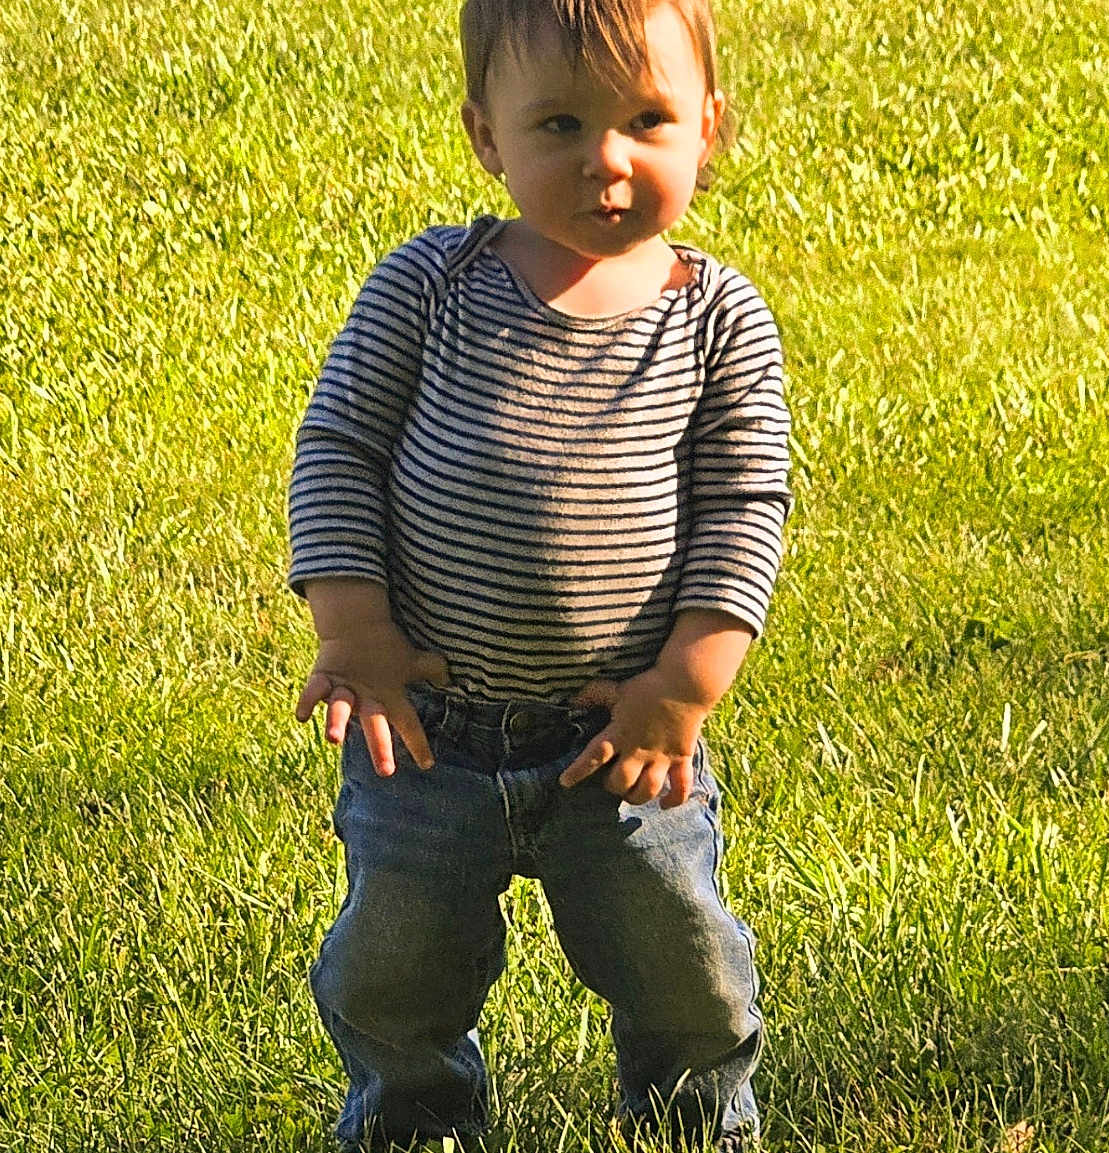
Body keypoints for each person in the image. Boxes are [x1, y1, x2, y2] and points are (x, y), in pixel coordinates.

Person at [288, 0, 791, 1146]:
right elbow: (340, 444)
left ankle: (692, 1118)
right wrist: (352, 628)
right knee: (393, 970)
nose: (606, 161)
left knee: (681, 965)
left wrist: (685, 685)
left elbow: (742, 510)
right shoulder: (430, 285)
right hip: (423, 735)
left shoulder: (716, 322)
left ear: (707, 128)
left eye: (647, 120)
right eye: (558, 123)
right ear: (486, 137)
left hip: (623, 742)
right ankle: (411, 1117)